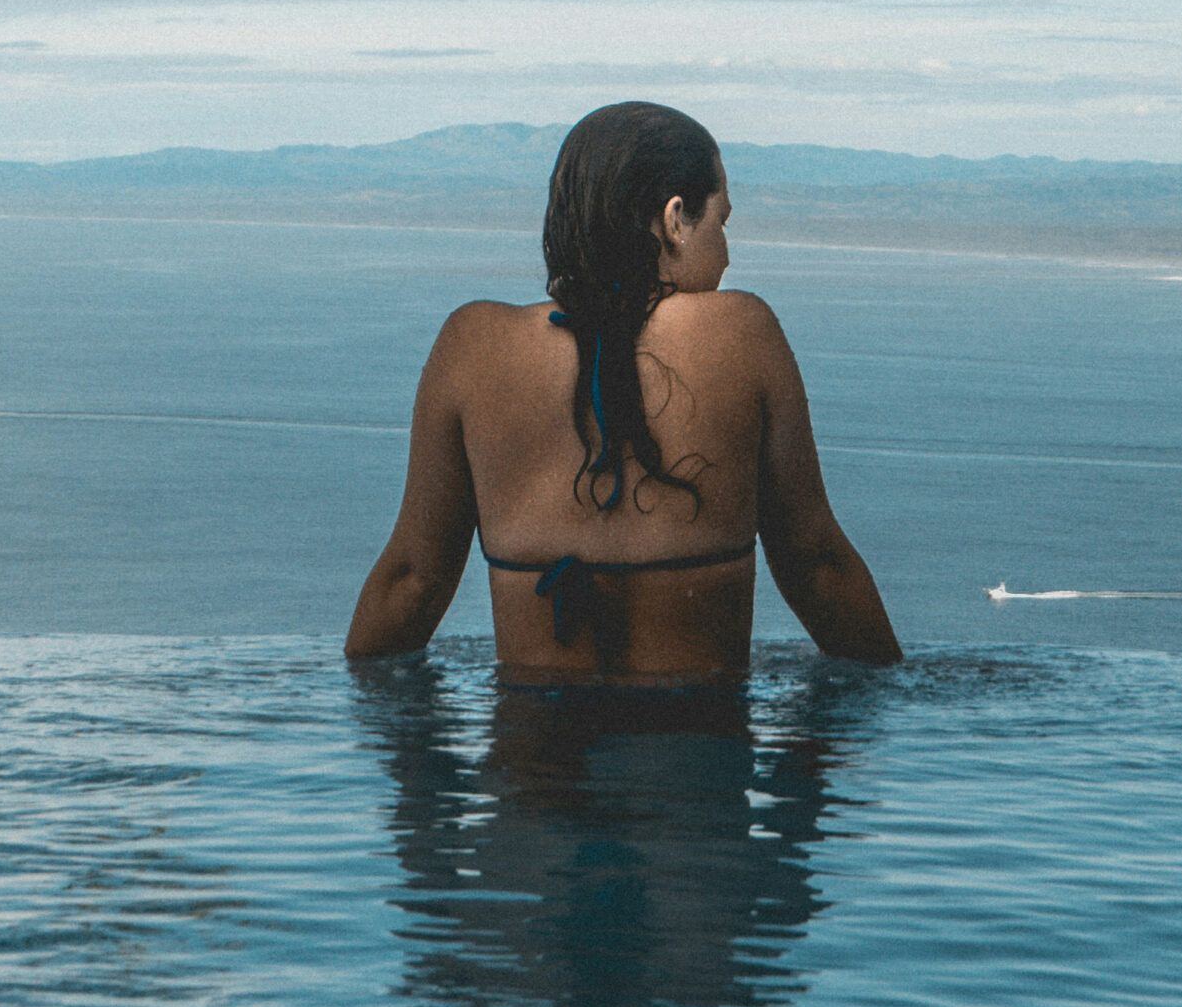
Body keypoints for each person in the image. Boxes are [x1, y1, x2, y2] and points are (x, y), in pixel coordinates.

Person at [345, 101, 902, 683]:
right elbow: (817, 567)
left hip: (535, 753)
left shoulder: (473, 345)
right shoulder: (741, 332)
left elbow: (411, 581)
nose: (729, 253)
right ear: (675, 217)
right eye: (723, 223)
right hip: (694, 755)